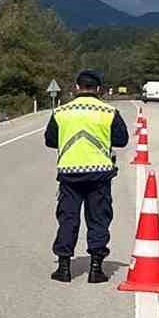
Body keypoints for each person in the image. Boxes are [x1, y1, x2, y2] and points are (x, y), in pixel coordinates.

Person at [44, 68, 130, 283]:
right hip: (99, 174)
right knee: (98, 218)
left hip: (69, 174)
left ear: (76, 87)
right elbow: (121, 140)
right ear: (99, 89)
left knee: (68, 218)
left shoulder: (61, 112)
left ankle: (63, 267)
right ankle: (96, 268)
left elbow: (50, 140)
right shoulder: (109, 112)